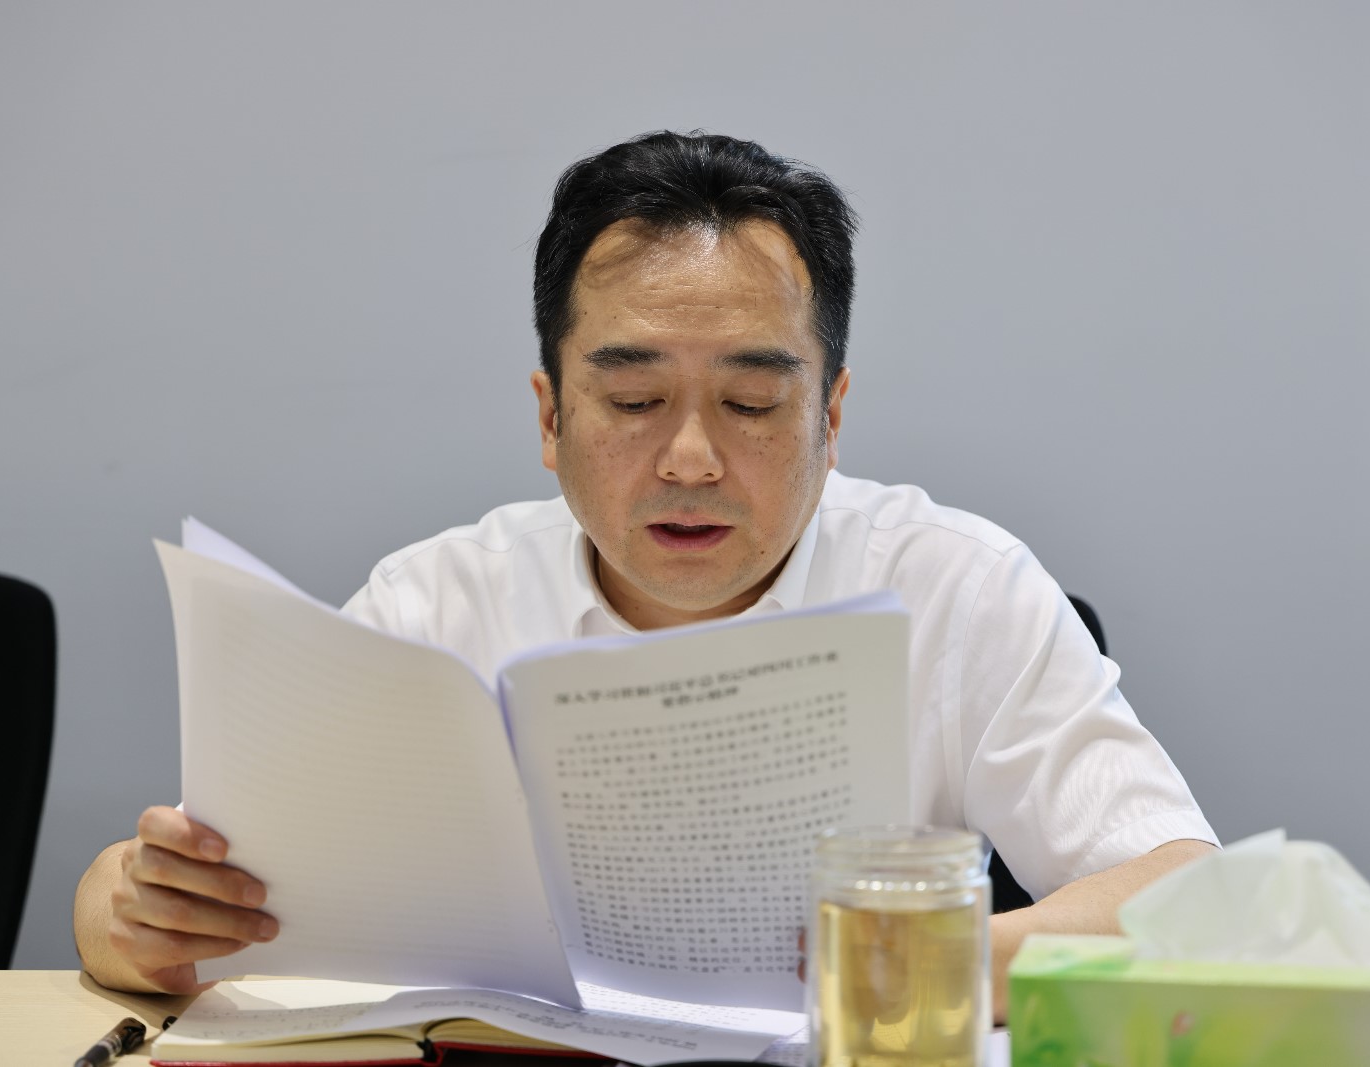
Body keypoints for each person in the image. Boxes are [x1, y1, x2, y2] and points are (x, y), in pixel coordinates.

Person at [74, 131, 1218, 1017]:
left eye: (751, 403)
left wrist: (925, 956)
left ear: (830, 415)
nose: (690, 458)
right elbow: (167, 900)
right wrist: (135, 913)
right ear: (549, 415)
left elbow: (1181, 888)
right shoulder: (435, 603)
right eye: (632, 399)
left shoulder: (957, 585)